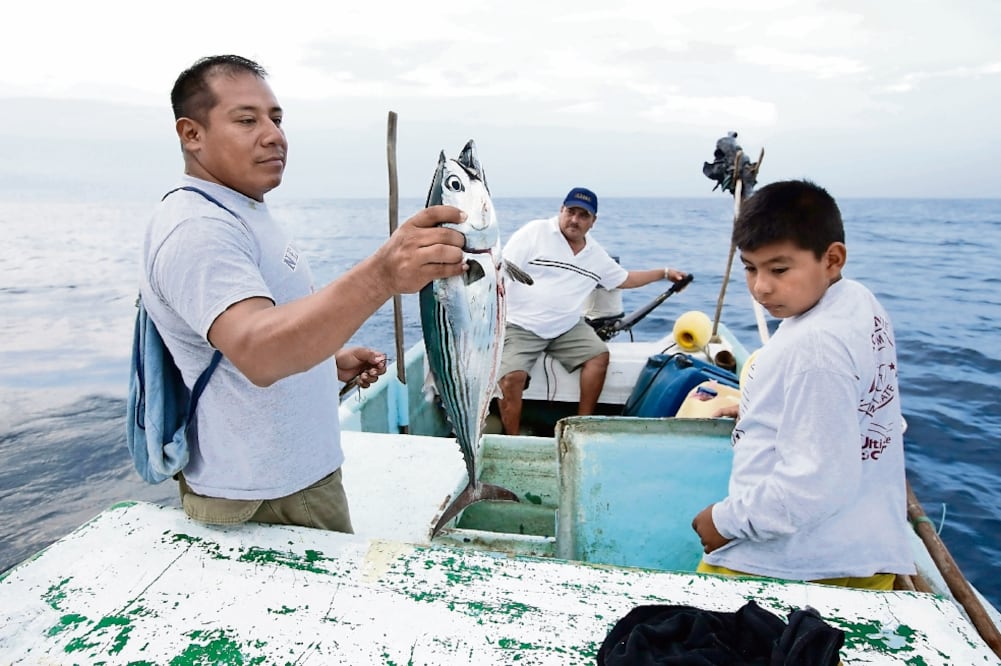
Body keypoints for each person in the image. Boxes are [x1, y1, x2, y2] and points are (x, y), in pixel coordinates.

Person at [141, 55, 467, 532]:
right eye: (246, 120)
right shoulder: (198, 227)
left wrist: (325, 360)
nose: (273, 134)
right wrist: (382, 274)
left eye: (276, 118)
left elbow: (250, 339)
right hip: (269, 497)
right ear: (192, 134)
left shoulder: (241, 211)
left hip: (291, 482)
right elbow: (259, 351)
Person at [691, 179, 915, 589]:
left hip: (791, 564)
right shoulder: (858, 301)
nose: (761, 286)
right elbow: (848, 398)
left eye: (779, 269)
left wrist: (722, 522)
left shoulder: (815, 347)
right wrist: (767, 404)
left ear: (832, 259)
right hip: (861, 549)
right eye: (750, 267)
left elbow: (815, 484)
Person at [497, 187, 688, 435]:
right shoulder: (535, 232)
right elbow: (499, 270)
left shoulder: (595, 255)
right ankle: (512, 440)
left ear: (593, 221)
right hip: (520, 325)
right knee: (512, 377)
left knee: (599, 357)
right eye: (571, 211)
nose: (575, 220)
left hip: (565, 326)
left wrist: (663, 273)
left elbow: (626, 279)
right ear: (561, 210)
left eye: (583, 215)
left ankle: (581, 426)